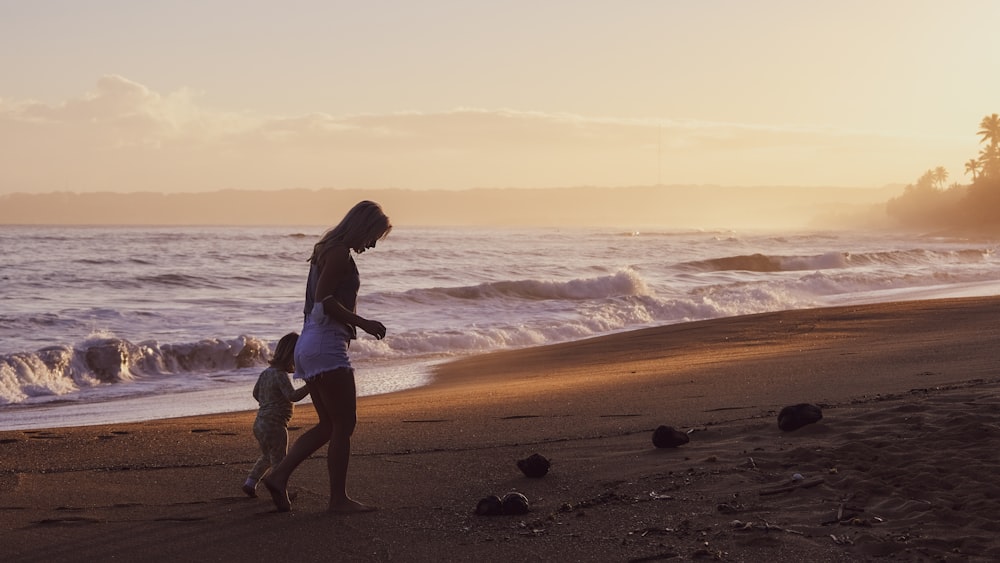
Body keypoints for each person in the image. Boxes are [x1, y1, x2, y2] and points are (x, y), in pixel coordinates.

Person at [263, 200, 391, 513]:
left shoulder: (326, 249)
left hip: (310, 342)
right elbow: (324, 300)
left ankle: (278, 477)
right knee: (344, 424)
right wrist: (364, 323)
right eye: (372, 236)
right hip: (325, 344)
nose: (372, 244)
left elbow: (316, 303)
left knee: (328, 425)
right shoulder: (338, 253)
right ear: (362, 227)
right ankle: (338, 500)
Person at [242, 332, 310, 497]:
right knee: (280, 461)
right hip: (275, 424)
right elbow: (292, 396)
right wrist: (311, 386)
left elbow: (256, 393)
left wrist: (268, 401)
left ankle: (250, 483)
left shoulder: (266, 373)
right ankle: (280, 492)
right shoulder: (280, 375)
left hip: (260, 423)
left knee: (267, 456)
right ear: (291, 355)